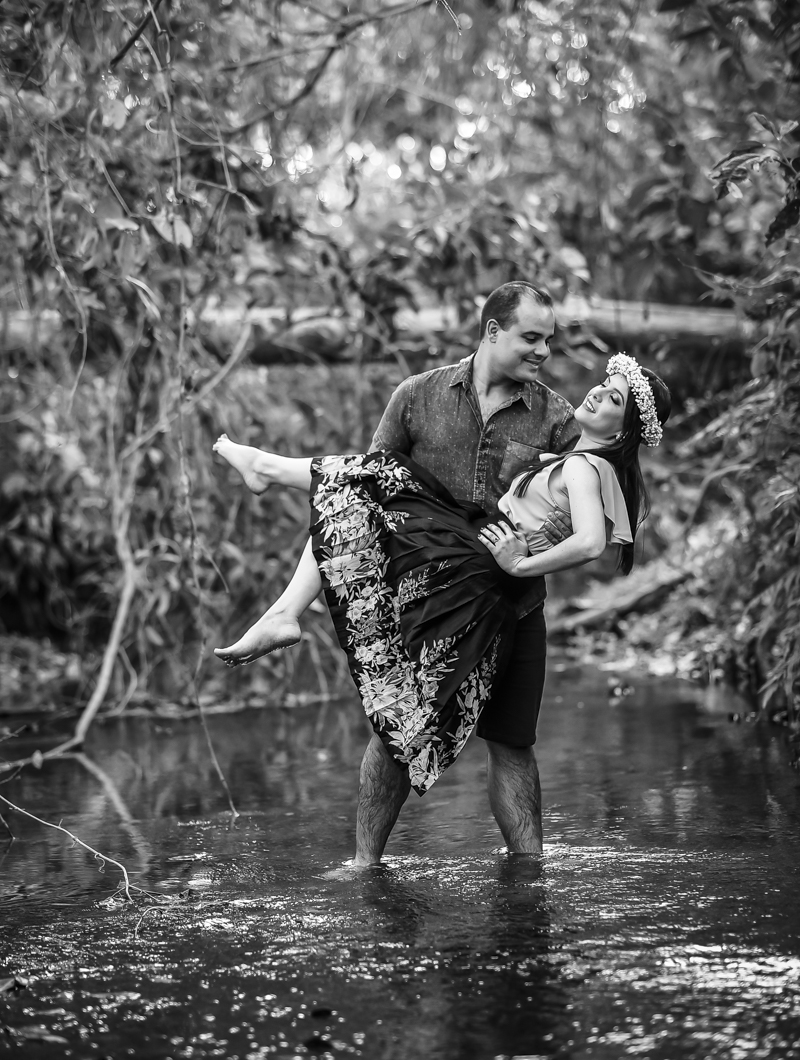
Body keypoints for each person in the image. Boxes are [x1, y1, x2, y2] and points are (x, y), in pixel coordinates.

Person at [212, 287, 671, 863]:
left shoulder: (557, 416)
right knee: (396, 728)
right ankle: (365, 866)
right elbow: (363, 499)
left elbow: (596, 482)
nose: (544, 352)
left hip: (517, 602)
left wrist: (537, 551)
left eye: (548, 340)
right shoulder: (418, 397)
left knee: (512, 744)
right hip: (431, 598)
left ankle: (529, 879)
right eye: (532, 338)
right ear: (492, 332)